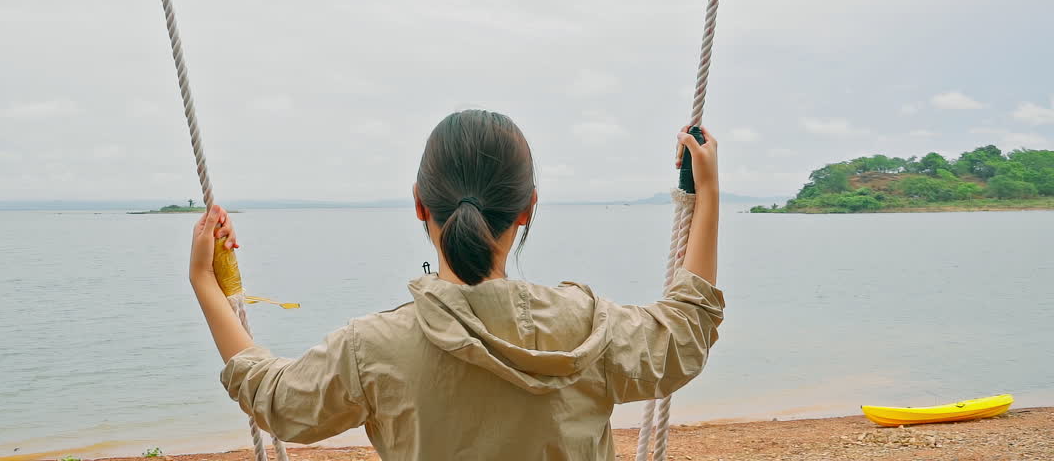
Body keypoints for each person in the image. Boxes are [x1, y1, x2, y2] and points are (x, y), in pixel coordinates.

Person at [189, 109, 724, 461]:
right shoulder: (588, 328)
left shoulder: (372, 349)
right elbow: (687, 330)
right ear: (528, 207)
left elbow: (275, 400)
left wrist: (207, 283)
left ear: (420, 203)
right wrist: (706, 196)